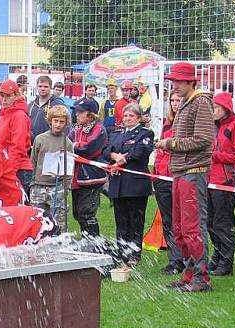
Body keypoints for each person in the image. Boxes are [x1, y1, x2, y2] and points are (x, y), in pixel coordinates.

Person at [154, 62, 215, 292]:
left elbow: (203, 140)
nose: (175, 85)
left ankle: (201, 277)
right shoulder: (185, 104)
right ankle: (190, 273)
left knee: (193, 227)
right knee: (180, 227)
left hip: (194, 171)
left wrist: (170, 144)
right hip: (181, 172)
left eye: (179, 81)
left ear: (191, 81)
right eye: (173, 81)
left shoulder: (201, 102)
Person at [103, 103, 155, 264]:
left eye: (131, 116)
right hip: (118, 182)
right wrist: (114, 156)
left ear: (139, 118)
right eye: (125, 116)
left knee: (135, 220)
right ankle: (122, 252)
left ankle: (134, 254)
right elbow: (105, 151)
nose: (127, 119)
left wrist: (120, 161)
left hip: (135, 184)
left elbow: (139, 152)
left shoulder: (145, 133)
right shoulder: (117, 133)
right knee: (121, 220)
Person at [207, 92, 235, 276]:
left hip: (225, 180)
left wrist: (214, 156)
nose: (213, 111)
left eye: (216, 107)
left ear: (225, 109)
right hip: (209, 180)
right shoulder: (213, 127)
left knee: (223, 223)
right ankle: (218, 256)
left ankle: (226, 262)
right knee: (210, 222)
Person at [153, 91, 184, 274]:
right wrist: (156, 172)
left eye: (178, 100)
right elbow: (160, 151)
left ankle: (184, 258)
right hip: (162, 178)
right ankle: (174, 259)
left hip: (177, 176)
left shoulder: (186, 124)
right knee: (168, 220)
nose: (174, 103)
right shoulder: (167, 124)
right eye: (172, 100)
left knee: (180, 220)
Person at [30, 104, 72, 231]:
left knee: (59, 222)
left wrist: (66, 188)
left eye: (61, 122)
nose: (58, 125)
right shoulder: (40, 139)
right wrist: (32, 183)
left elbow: (69, 169)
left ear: (66, 124)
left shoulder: (68, 143)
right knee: (38, 220)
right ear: (50, 121)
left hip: (57, 187)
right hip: (38, 185)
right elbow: (33, 161)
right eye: (55, 121)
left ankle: (61, 244)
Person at [70, 98, 108, 237]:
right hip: (77, 178)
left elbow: (88, 149)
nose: (77, 115)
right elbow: (67, 142)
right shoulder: (76, 129)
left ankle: (94, 245)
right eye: (76, 112)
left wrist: (73, 146)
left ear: (91, 114)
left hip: (92, 178)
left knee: (86, 214)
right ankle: (88, 243)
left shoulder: (99, 129)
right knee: (78, 213)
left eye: (80, 112)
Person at [0, 80, 33, 194]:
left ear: (16, 96)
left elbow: (18, 147)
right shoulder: (4, 114)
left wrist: (9, 172)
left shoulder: (19, 115)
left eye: (8, 96)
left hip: (18, 169)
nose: (4, 99)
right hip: (7, 167)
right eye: (2, 96)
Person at [28, 75, 64, 143]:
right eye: (40, 86)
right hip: (32, 146)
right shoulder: (30, 106)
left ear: (50, 88)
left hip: (50, 145)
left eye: (45, 86)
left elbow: (66, 127)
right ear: (37, 87)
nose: (42, 89)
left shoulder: (58, 105)